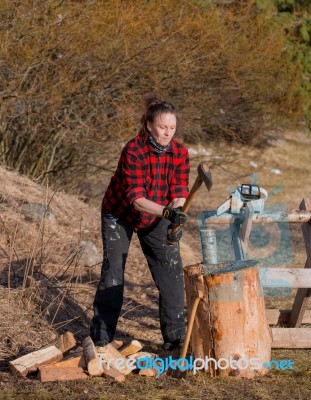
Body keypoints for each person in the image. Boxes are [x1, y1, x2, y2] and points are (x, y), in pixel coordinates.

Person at [90, 96, 190, 350]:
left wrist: (176, 214)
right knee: (113, 273)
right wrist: (169, 213)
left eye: (172, 128)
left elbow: (179, 192)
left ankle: (176, 337)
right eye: (162, 127)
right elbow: (137, 200)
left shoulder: (180, 152)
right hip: (120, 214)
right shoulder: (133, 150)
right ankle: (101, 336)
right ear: (148, 125)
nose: (167, 133)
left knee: (171, 273)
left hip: (158, 215)